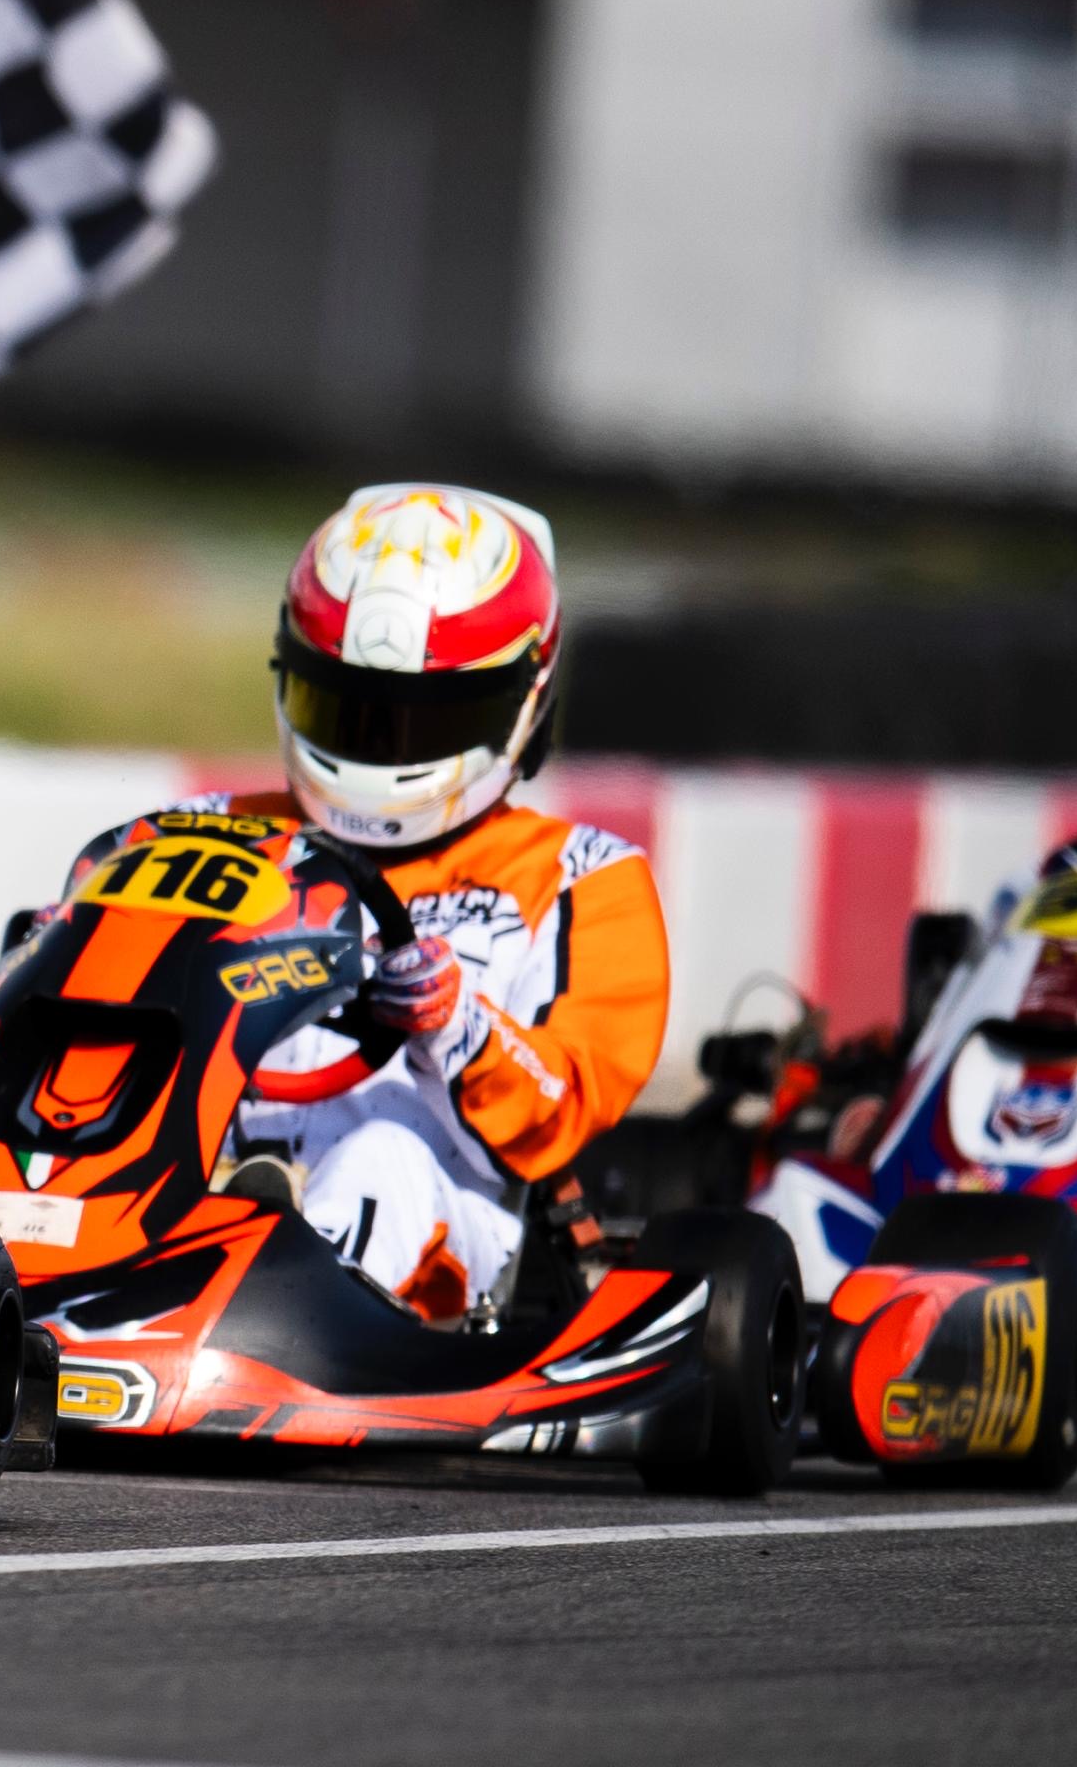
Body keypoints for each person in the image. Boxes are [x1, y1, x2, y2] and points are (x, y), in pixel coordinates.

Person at [80, 482, 665, 1321]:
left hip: (442, 1226)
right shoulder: (204, 831)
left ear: (521, 703)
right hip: (199, 1177)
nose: (380, 746)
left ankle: (272, 1309)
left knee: (379, 1157)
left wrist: (456, 1024)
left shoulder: (584, 876)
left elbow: (560, 1113)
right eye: (345, 707)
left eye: (423, 720)